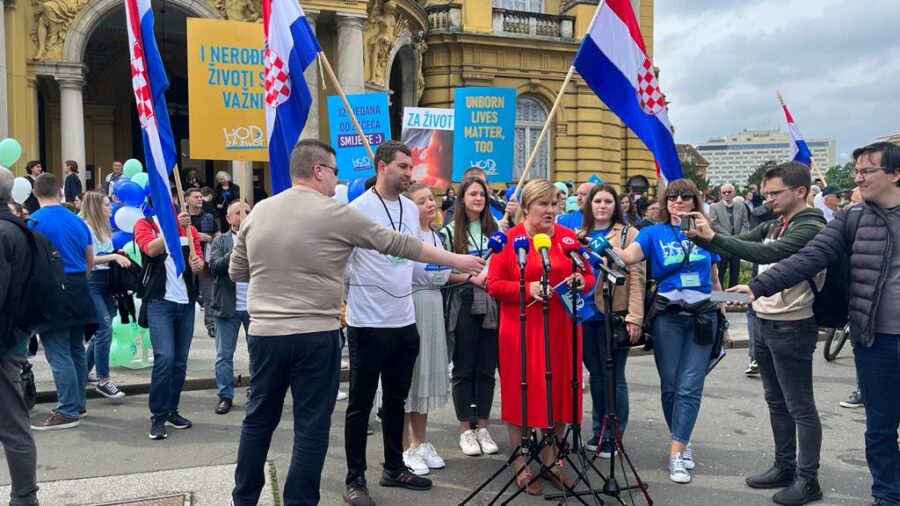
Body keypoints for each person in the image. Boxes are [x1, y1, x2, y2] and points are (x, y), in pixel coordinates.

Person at [228, 139, 482, 506]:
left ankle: (244, 500)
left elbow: (238, 271)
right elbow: (397, 244)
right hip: (315, 334)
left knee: (258, 421)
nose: (337, 180)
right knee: (311, 427)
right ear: (318, 171)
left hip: (265, 334)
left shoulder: (258, 212)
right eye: (334, 171)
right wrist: (456, 260)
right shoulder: (337, 213)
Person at [733, 142, 900, 506]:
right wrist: (758, 285)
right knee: (881, 429)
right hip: (877, 340)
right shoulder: (851, 218)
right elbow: (810, 257)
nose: (856, 179)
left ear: (895, 174)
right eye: (855, 171)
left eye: (866, 171)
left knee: (800, 406)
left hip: (796, 327)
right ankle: (888, 497)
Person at [686, 162, 827, 505]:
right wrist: (703, 237)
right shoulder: (775, 223)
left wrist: (714, 237)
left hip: (793, 323)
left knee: (800, 405)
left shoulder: (810, 226)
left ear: (801, 192)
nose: (769, 199)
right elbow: (732, 245)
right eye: (766, 193)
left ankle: (808, 480)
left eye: (775, 193)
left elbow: (767, 253)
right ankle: (784, 466)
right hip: (764, 319)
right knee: (775, 400)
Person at [609, 178, 724, 484]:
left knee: (689, 386)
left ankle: (676, 453)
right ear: (665, 201)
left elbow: (714, 281)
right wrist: (597, 241)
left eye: (686, 197)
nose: (679, 202)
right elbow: (627, 257)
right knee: (671, 386)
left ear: (695, 201)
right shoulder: (653, 234)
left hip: (703, 317)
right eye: (672, 197)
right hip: (668, 320)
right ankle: (682, 438)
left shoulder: (707, 234)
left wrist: (724, 317)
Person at [486, 179, 594, 495]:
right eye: (543, 204)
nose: (550, 210)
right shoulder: (510, 240)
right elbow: (493, 284)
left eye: (554, 203)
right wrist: (527, 288)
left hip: (563, 327)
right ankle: (521, 462)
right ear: (527, 207)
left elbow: (588, 276)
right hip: (522, 330)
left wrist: (580, 281)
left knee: (561, 391)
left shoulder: (568, 237)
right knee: (523, 391)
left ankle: (551, 460)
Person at [577, 184, 645, 455]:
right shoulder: (578, 235)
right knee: (595, 376)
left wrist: (635, 317)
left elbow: (637, 278)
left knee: (613, 376)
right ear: (588, 205)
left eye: (608, 201)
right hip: (584, 315)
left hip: (615, 315)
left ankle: (614, 434)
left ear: (616, 205)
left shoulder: (629, 234)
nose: (602, 206)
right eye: (597, 201)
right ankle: (598, 431)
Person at [438, 177, 501, 458]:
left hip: (492, 303)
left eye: (483, 194)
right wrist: (471, 278)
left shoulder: (497, 229)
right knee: (463, 368)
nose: (479, 198)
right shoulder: (449, 233)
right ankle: (466, 428)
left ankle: (483, 427)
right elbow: (439, 273)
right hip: (462, 302)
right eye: (473, 194)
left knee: (486, 368)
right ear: (462, 198)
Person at [28, 173, 97, 430]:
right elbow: (90, 260)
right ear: (59, 191)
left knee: (58, 353)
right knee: (75, 349)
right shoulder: (79, 222)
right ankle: (77, 403)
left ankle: (67, 409)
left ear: (34, 193)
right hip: (79, 286)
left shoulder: (34, 222)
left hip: (52, 289)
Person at [134, 199, 205, 440]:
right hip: (159, 303)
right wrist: (172, 231)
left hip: (185, 303)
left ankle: (172, 410)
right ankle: (158, 416)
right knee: (164, 358)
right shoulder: (144, 225)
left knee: (180, 362)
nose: (170, 208)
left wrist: (197, 263)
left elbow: (198, 266)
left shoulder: (190, 230)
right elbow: (151, 250)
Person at [399, 183, 451, 475]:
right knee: (411, 376)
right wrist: (440, 274)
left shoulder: (436, 235)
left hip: (434, 304)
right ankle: (405, 447)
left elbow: (441, 271)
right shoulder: (408, 235)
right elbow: (415, 271)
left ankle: (421, 441)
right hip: (413, 304)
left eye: (431, 199)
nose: (430, 204)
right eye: (422, 201)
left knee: (427, 375)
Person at [0, 166, 40, 505]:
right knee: (13, 421)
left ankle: (24, 498)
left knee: (12, 423)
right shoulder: (18, 227)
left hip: (2, 340)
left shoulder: (2, 231)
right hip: (14, 335)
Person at [80, 191, 130, 400]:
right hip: (91, 281)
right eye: (107, 205)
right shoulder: (85, 226)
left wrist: (117, 254)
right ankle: (103, 379)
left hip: (106, 281)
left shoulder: (103, 227)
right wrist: (113, 256)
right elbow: (90, 259)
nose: (110, 208)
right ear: (95, 207)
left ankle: (82, 372)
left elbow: (105, 255)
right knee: (104, 328)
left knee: (102, 329)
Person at [208, 200, 251, 415]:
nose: (242, 216)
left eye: (247, 212)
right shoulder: (220, 241)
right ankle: (225, 395)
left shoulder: (258, 237)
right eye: (237, 213)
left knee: (259, 352)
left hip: (255, 307)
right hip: (227, 307)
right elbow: (213, 267)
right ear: (228, 218)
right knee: (224, 355)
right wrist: (235, 252)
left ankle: (256, 391)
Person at [185, 187, 218, 338]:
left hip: (205, 259)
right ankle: (185, 325)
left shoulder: (209, 217)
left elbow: (219, 238)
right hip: (186, 260)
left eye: (200, 197)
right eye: (196, 197)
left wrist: (209, 238)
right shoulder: (182, 218)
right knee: (187, 293)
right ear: (187, 200)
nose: (199, 199)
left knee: (209, 294)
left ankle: (211, 325)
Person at [442, 166, 519, 226]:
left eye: (483, 183)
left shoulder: (500, 207)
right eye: (473, 193)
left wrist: (515, 216)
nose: (479, 186)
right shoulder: (452, 214)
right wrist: (495, 229)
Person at [708, 183, 750, 288]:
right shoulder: (714, 207)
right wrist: (729, 236)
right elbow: (714, 224)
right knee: (720, 273)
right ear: (721, 194)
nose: (726, 194)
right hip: (722, 244)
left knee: (735, 273)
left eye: (729, 192)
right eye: (724, 192)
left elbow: (745, 223)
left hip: (737, 244)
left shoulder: (741, 206)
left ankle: (732, 299)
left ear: (734, 193)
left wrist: (740, 237)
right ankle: (721, 299)